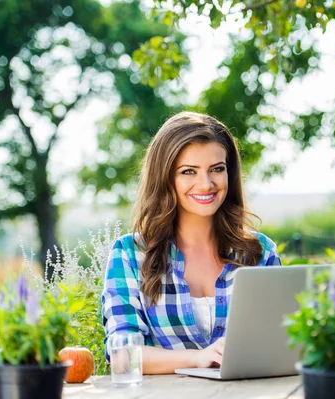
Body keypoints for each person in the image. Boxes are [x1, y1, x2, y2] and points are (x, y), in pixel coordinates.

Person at [102, 112, 282, 375]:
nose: (206, 184)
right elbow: (122, 357)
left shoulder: (260, 253)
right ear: (165, 178)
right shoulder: (130, 255)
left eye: (217, 169)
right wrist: (199, 359)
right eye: (189, 171)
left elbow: (281, 343)